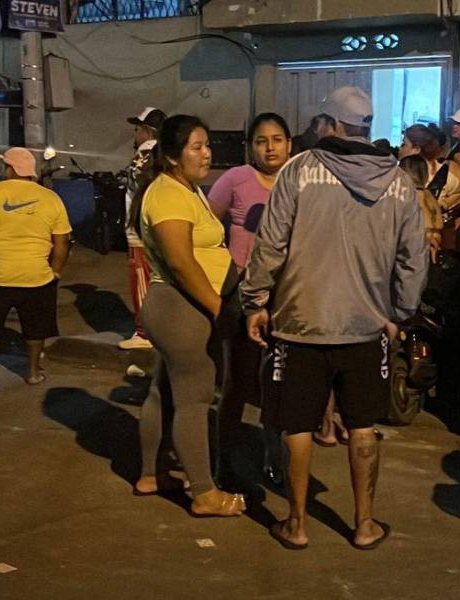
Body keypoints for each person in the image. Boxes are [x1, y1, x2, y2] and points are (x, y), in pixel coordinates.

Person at [241, 86, 428, 550]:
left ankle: (297, 523)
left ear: (331, 124)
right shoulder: (399, 181)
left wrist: (255, 300)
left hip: (299, 323)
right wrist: (400, 312)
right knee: (362, 423)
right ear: (367, 126)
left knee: (298, 425)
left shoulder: (299, 172)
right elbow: (415, 257)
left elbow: (270, 244)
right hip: (366, 327)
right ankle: (364, 525)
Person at [130, 115, 246, 518]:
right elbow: (180, 262)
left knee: (164, 391)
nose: (207, 153)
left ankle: (151, 474)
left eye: (208, 144)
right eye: (196, 146)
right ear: (173, 155)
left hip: (180, 309)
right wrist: (216, 308)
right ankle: (204, 493)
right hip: (183, 308)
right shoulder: (167, 195)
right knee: (194, 401)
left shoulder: (185, 189)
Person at [207, 112, 292, 486]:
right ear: (250, 147)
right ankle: (222, 459)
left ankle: (273, 456)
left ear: (290, 143)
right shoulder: (235, 179)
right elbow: (207, 225)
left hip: (288, 296)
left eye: (277, 139)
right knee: (236, 383)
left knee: (278, 384)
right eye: (261, 140)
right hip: (241, 295)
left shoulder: (301, 180)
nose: (270, 147)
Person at [0, 148, 71, 384]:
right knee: (35, 328)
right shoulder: (51, 198)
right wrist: (56, 271)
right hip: (37, 276)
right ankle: (32, 372)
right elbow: (62, 241)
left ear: (10, 169)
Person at [118, 107, 166, 350]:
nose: (135, 134)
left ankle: (144, 333)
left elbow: (139, 190)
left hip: (140, 231)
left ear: (148, 131)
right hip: (156, 228)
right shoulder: (166, 155)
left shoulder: (145, 154)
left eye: (137, 129)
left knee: (141, 279)